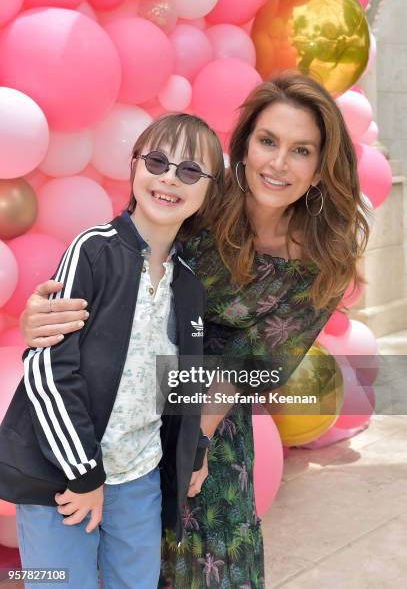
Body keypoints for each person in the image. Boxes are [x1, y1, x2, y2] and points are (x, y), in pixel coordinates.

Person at [19, 71, 369, 588]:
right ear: (244, 147)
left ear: (319, 169)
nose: (277, 162)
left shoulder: (321, 263)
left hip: (208, 431)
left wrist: (192, 450)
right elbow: (122, 265)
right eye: (268, 141)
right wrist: (45, 318)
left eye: (300, 150)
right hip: (120, 409)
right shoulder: (199, 198)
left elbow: (246, 372)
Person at [0, 113, 224, 589]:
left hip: (138, 477)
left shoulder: (190, 287)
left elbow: (185, 382)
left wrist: (196, 451)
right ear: (135, 167)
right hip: (61, 476)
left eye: (189, 170)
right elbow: (48, 368)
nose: (168, 177)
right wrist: (83, 475)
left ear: (209, 190)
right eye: (158, 161)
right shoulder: (93, 250)